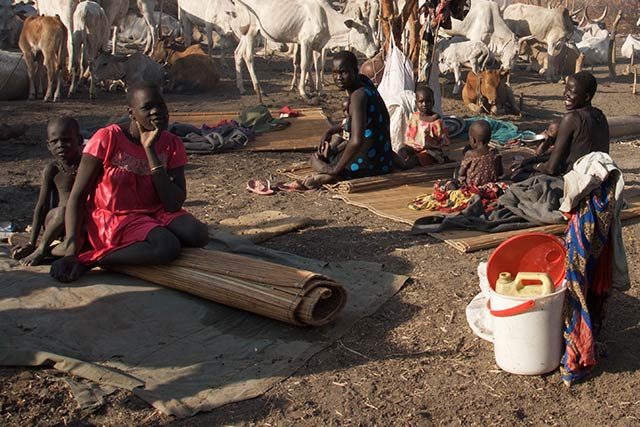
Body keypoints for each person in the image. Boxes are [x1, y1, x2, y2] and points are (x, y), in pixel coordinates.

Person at [50, 83, 208, 283]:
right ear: (132, 113)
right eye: (147, 107)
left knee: (198, 234)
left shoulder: (171, 143)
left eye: (161, 105)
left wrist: (150, 150)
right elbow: (78, 196)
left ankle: (145, 240)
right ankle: (91, 260)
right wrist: (71, 252)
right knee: (167, 247)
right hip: (116, 216)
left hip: (156, 210)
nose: (157, 112)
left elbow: (173, 204)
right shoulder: (107, 138)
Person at [305, 51, 394, 188]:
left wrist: (334, 169)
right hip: (384, 159)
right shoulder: (364, 82)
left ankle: (332, 174)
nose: (338, 78)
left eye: (343, 72)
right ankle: (331, 171)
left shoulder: (358, 96)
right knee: (330, 153)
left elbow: (356, 141)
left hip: (370, 164)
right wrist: (329, 131)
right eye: (334, 73)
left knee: (315, 160)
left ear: (355, 70)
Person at [11, 117, 83, 266]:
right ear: (48, 145)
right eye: (54, 142)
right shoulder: (52, 170)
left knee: (82, 245)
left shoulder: (86, 165)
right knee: (64, 211)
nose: (60, 145)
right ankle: (41, 249)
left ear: (80, 140)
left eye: (66, 140)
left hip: (77, 223)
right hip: (56, 221)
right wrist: (32, 241)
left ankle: (48, 253)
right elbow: (41, 206)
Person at [532, 71, 609, 176]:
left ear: (586, 97)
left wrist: (533, 166)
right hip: (597, 179)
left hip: (574, 182)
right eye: (565, 89)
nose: (565, 94)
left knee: (517, 175)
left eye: (570, 92)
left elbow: (551, 169)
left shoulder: (572, 118)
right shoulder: (600, 116)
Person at [395, 85, 450, 169]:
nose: (424, 104)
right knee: (401, 150)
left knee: (416, 159)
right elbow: (409, 137)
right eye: (421, 101)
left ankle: (403, 166)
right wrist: (409, 148)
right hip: (415, 148)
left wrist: (445, 157)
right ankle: (400, 162)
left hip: (431, 151)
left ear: (433, 102)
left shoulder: (436, 121)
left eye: (428, 101)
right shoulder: (414, 117)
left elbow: (444, 141)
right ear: (416, 103)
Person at [458, 120, 504, 186]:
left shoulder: (470, 154)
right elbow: (500, 172)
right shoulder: (495, 152)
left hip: (473, 188)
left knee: (455, 178)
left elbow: (461, 173)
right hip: (491, 186)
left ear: (473, 140)